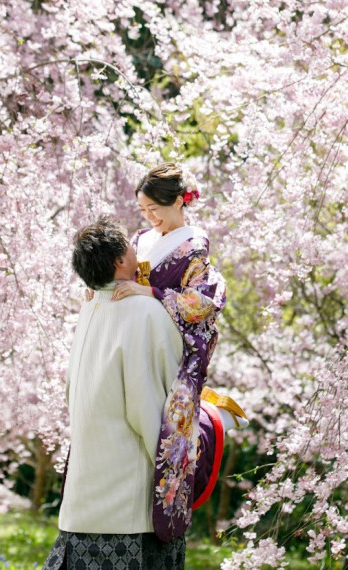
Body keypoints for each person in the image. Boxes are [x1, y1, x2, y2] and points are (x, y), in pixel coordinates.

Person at [112, 163, 248, 541]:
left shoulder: (194, 247)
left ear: (178, 201)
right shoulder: (140, 238)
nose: (149, 217)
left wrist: (152, 292)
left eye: (155, 209)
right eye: (143, 211)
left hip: (167, 344)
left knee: (163, 425)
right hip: (128, 337)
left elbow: (202, 301)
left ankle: (163, 516)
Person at [44, 216, 186, 569]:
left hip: (83, 501)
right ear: (120, 261)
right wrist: (176, 473)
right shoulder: (146, 311)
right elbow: (154, 408)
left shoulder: (90, 307)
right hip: (128, 508)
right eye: (128, 245)